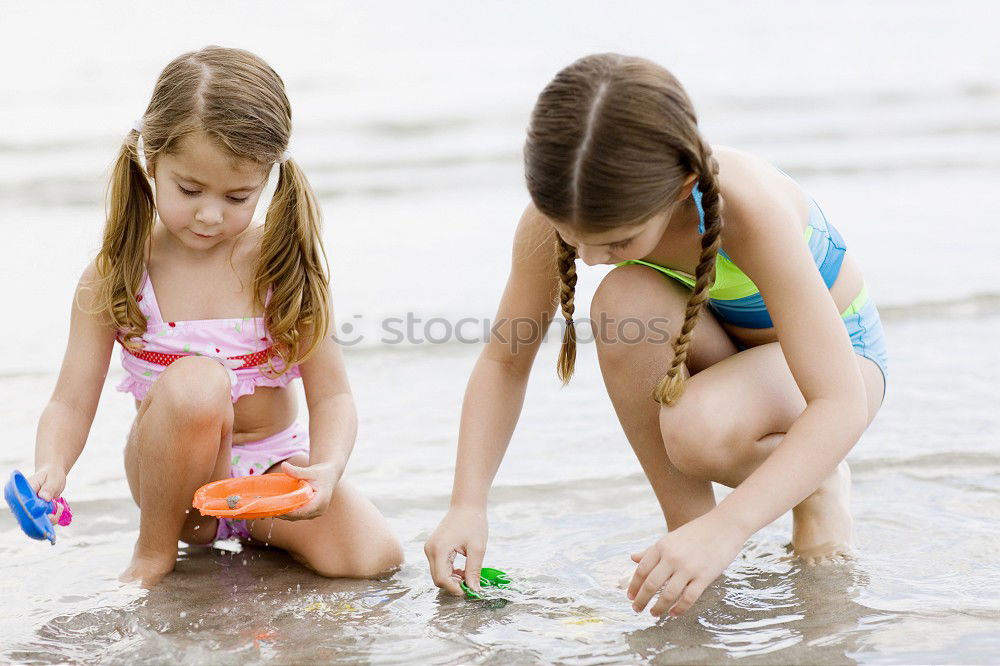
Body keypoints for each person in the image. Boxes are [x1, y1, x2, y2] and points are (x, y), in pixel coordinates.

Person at [425, 53, 887, 618]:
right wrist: (467, 504)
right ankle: (686, 533)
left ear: (682, 187)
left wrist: (732, 526)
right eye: (574, 238)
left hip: (839, 366)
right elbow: (504, 363)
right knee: (622, 300)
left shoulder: (748, 207)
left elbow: (839, 401)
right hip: (727, 349)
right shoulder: (559, 217)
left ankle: (814, 484)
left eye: (617, 242)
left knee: (697, 430)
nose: (591, 258)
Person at [27, 46, 402, 586]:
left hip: (269, 477)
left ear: (268, 179)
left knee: (373, 558)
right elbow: (69, 399)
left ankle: (259, 539)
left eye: (236, 196)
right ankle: (153, 554)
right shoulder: (120, 272)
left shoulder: (281, 267)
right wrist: (52, 466)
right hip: (175, 487)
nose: (208, 214)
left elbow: (333, 394)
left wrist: (326, 469)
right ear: (151, 161)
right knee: (202, 382)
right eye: (189, 189)